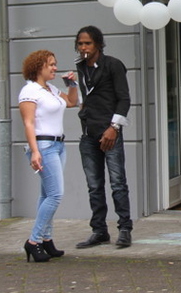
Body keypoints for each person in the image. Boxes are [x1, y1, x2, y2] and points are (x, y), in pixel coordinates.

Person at [73, 26, 133, 249]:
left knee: (117, 183)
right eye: (80, 44)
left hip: (110, 132)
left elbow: (124, 99)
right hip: (89, 133)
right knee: (94, 185)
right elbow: (85, 97)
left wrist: (114, 127)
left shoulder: (113, 65)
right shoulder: (80, 67)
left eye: (88, 43)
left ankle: (125, 229)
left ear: (98, 44)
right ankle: (99, 231)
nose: (83, 48)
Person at [19, 50, 78, 262]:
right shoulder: (30, 91)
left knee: (47, 195)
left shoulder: (50, 89)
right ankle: (33, 241)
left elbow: (71, 102)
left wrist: (72, 84)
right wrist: (34, 151)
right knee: (55, 195)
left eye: (55, 64)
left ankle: (46, 240)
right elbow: (28, 123)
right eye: (51, 64)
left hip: (58, 145)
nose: (55, 68)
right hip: (44, 146)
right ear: (39, 67)